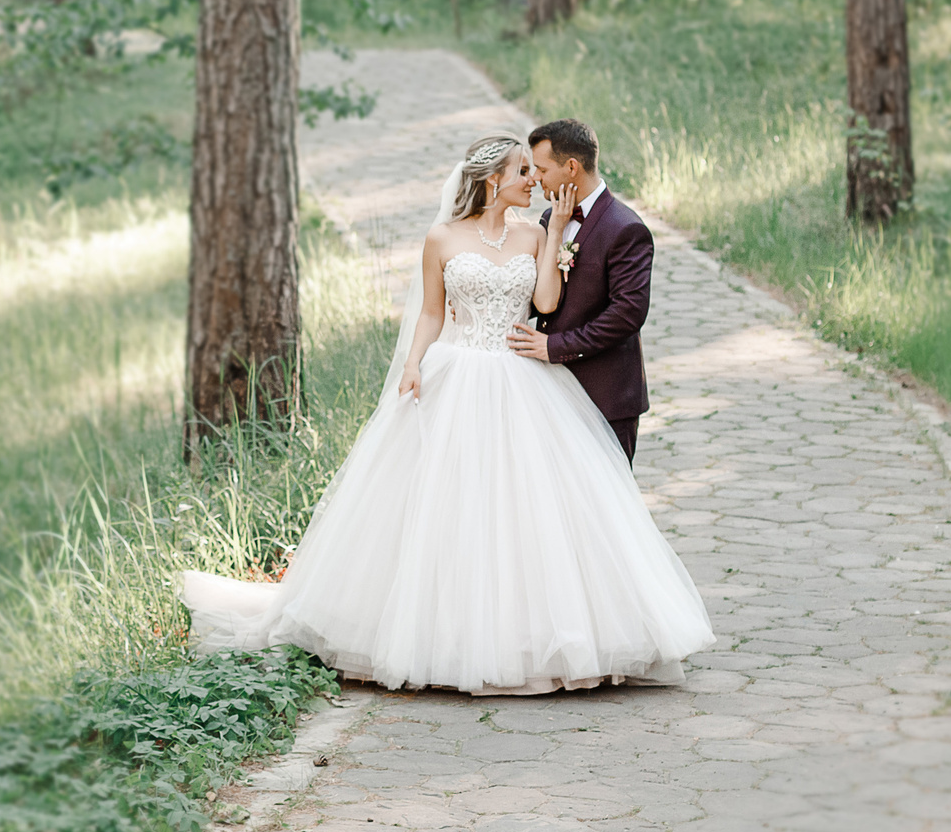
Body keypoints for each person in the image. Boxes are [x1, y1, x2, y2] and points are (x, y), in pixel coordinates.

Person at [178, 133, 714, 695]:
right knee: (449, 502)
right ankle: (439, 630)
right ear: (492, 180)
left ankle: (531, 634)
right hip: (456, 373)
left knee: (523, 505)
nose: (533, 180)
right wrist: (414, 364)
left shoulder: (535, 233)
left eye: (537, 169)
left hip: (520, 377)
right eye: (523, 171)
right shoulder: (441, 238)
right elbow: (432, 314)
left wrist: (555, 234)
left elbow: (549, 305)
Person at [506, 118, 651, 465]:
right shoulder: (547, 220)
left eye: (541, 169)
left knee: (607, 507)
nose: (535, 178)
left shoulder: (626, 229)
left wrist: (554, 346)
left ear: (571, 167)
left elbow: (627, 314)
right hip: (546, 390)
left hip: (604, 394)